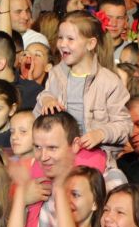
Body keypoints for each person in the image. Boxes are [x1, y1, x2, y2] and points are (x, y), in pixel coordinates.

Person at [35, 11, 130, 154]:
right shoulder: (56, 74)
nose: (63, 44)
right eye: (60, 38)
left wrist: (101, 134)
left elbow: (124, 125)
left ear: (90, 44)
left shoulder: (109, 82)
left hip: (95, 155)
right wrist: (46, 99)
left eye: (70, 39)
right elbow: (36, 117)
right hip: (59, 154)